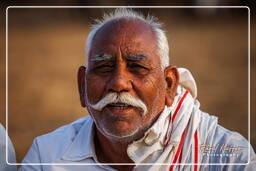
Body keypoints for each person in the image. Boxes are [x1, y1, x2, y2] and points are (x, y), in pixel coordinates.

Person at [19, 8, 255, 171]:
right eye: (103, 67)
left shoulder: (225, 157)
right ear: (82, 86)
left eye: (138, 67)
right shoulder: (48, 157)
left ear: (169, 85)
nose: (119, 83)